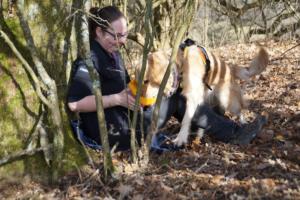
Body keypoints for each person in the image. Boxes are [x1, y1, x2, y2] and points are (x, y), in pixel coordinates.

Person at [67, 6, 267, 151]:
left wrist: (158, 90)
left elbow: (127, 90)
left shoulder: (113, 54)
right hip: (114, 134)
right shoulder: (89, 59)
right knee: (180, 98)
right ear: (99, 32)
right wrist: (117, 99)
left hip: (130, 119)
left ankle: (209, 128)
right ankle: (233, 133)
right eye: (116, 35)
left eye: (125, 35)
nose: (122, 41)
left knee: (175, 93)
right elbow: (75, 104)